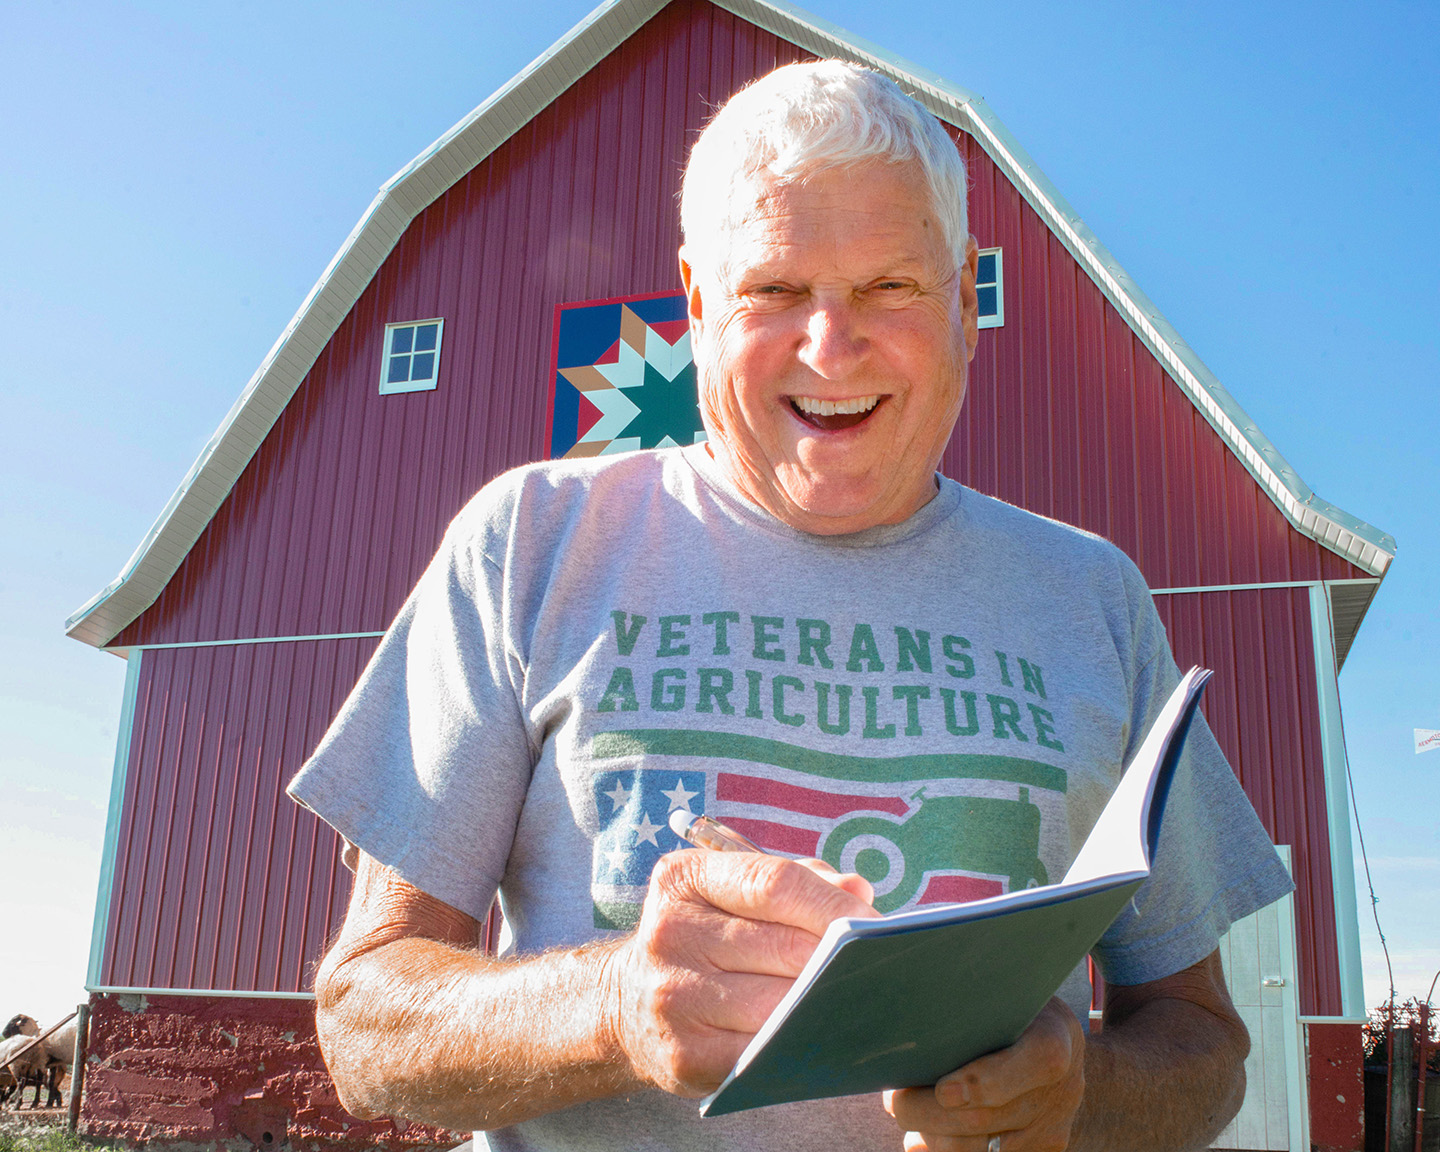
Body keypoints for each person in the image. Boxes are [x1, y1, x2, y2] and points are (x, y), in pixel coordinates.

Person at [287, 60, 1294, 1152]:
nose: (830, 344)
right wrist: (615, 1006)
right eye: (773, 291)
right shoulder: (530, 543)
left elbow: (1202, 1048)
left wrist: (1081, 1090)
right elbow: (365, 1024)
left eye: (888, 288)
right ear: (698, 305)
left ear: (964, 302)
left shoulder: (1093, 597)